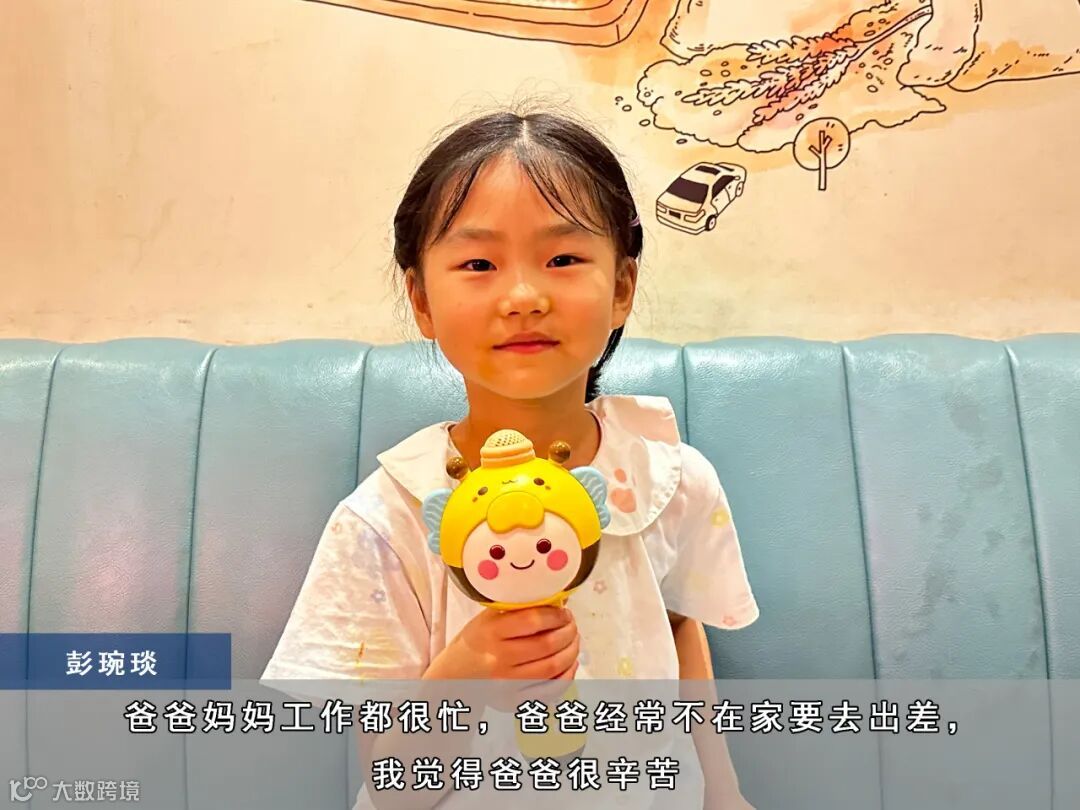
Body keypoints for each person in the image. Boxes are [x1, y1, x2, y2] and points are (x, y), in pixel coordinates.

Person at [260, 106, 760, 809]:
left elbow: (680, 631)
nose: (523, 297)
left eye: (563, 259)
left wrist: (725, 795)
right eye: (478, 264)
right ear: (421, 298)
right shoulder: (389, 518)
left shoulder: (670, 480)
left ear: (621, 287)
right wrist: (463, 679)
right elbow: (396, 787)